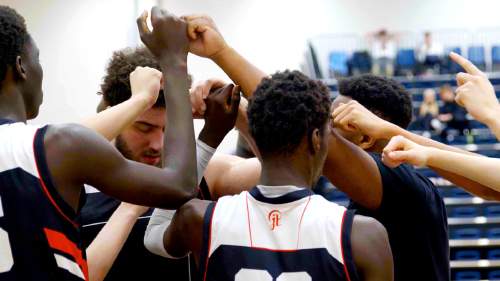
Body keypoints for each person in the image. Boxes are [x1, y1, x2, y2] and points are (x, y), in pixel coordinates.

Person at [0, 6, 196, 280]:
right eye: (39, 59)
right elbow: (181, 184)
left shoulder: (52, 146)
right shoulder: (51, 147)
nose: (157, 143)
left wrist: (141, 100)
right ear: (21, 66)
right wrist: (174, 61)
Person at [163, 70, 394, 281]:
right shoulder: (364, 236)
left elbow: (154, 233)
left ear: (255, 134)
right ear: (316, 138)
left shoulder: (196, 218)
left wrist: (208, 137)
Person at [80, 47, 240, 281]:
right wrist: (131, 206)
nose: (158, 144)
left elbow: (290, 169)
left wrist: (237, 105)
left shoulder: (206, 171)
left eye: (168, 129)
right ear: (117, 114)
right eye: (144, 128)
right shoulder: (76, 183)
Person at [377, 53, 500, 194]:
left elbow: (489, 189)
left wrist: (494, 113)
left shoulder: (452, 106)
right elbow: (489, 187)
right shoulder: (435, 107)